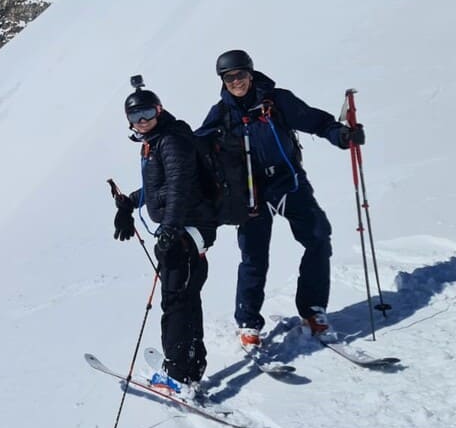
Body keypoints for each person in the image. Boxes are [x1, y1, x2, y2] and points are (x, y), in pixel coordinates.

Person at [200, 50, 364, 348]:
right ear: (222, 81)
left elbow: (313, 120)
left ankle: (313, 310)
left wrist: (340, 134)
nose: (236, 81)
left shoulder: (276, 100)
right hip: (250, 194)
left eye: (240, 75)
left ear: (251, 73)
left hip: (287, 182)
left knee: (318, 238)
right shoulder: (221, 114)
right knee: (254, 256)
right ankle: (249, 321)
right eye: (229, 77)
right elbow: (196, 149)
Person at [113, 80, 217, 394]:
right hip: (188, 230)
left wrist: (170, 226)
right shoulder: (157, 140)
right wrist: (131, 201)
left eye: (147, 112)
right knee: (186, 297)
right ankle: (191, 364)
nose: (142, 120)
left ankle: (178, 375)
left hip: (185, 231)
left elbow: (180, 186)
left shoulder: (170, 141)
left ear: (159, 110)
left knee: (174, 301)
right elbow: (162, 186)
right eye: (135, 116)